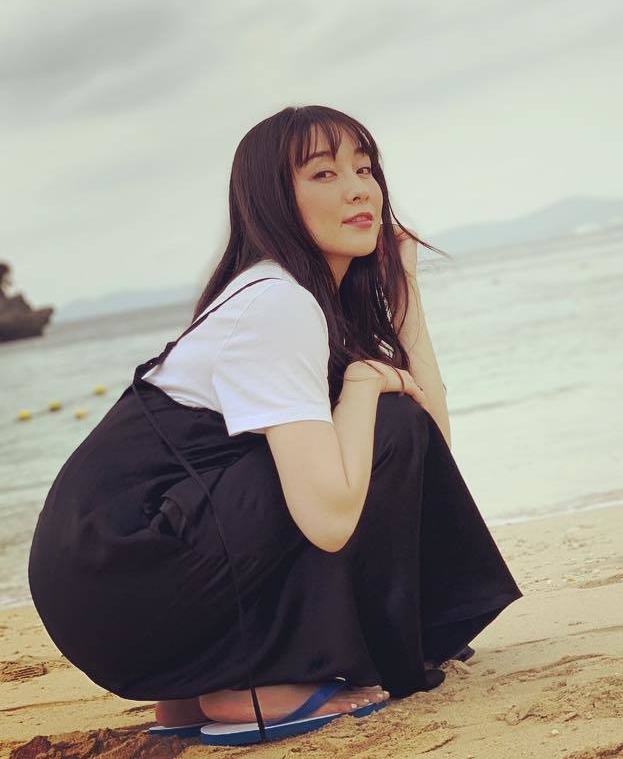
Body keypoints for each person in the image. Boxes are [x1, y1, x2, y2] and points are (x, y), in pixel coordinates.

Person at [27, 105, 523, 746]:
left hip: (110, 587)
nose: (359, 189)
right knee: (360, 438)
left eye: (365, 169)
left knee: (376, 429)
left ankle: (201, 686)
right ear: (272, 200)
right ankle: (255, 685)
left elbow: (423, 453)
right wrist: (363, 386)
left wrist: (404, 293)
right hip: (126, 580)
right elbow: (331, 517)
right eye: (324, 174)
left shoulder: (291, 296)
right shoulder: (278, 303)